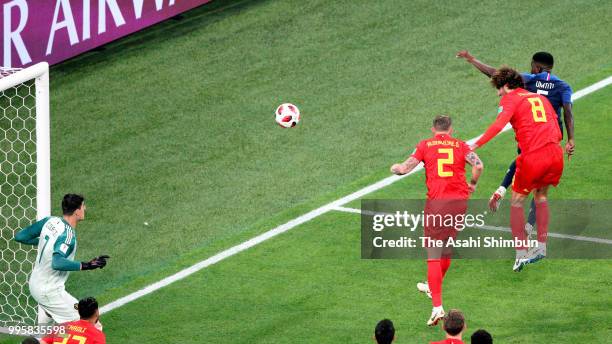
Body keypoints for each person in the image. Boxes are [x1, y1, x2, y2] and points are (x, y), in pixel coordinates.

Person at [456, 50, 574, 238]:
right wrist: (571, 139)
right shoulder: (563, 86)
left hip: (530, 135)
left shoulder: (529, 80)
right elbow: (568, 111)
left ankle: (506, 197)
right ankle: (531, 227)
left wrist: (473, 60)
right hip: (552, 137)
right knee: (541, 189)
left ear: (536, 66)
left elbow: (496, 74)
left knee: (525, 168)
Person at [391, 115, 483, 326]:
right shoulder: (460, 145)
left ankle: (437, 308)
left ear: (433, 129)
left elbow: (404, 169)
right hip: (459, 204)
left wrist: (394, 168)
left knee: (433, 255)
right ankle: (432, 287)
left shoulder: (425, 145)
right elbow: (478, 165)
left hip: (437, 206)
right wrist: (473, 184)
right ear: (450, 130)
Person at [470, 67, 563, 272]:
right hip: (556, 154)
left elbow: (498, 125)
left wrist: (474, 145)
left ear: (506, 85)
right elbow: (556, 127)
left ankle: (520, 253)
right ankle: (541, 247)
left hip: (533, 157)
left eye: (498, 89)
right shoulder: (540, 99)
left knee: (517, 203)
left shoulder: (511, 99)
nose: (498, 93)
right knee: (541, 198)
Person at [14, 194, 109, 325]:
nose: (85, 209)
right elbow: (57, 262)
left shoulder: (50, 221)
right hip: (49, 291)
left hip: (35, 284)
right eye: (83, 206)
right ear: (76, 211)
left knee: (52, 326)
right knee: (90, 322)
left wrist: (44, 242)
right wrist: (87, 265)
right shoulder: (68, 235)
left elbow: (20, 237)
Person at [41, 297, 106, 344]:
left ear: (79, 312)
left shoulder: (63, 327)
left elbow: (43, 342)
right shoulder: (97, 336)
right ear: (96, 312)